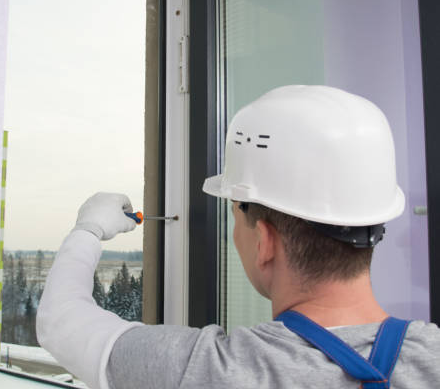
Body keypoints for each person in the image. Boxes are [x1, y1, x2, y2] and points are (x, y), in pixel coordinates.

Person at [36, 85, 440, 388]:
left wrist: (88, 228)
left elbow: (60, 321)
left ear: (264, 241)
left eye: (235, 215)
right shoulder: (432, 355)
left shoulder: (209, 372)